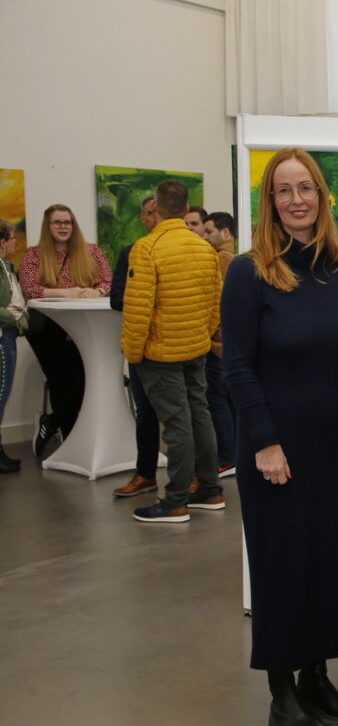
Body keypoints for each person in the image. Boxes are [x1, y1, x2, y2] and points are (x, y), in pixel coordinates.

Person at [222, 147, 338, 726]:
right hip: (275, 450)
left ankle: (318, 678)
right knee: (281, 564)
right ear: (270, 202)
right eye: (284, 190)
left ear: (322, 196)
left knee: (330, 561)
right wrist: (264, 442)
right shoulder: (248, 271)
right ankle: (282, 690)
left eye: (306, 188)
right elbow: (236, 366)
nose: (297, 200)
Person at [120, 180, 223, 524]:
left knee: (177, 425)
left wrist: (134, 353)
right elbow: (215, 303)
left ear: (158, 208)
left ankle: (176, 500)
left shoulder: (147, 248)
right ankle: (209, 489)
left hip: (160, 353)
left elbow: (138, 309)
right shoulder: (204, 247)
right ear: (185, 208)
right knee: (199, 415)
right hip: (195, 347)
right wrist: (202, 335)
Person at [19, 204, 112, 456]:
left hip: (83, 326)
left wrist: (97, 291)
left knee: (82, 378)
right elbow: (29, 289)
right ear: (47, 226)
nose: (63, 227)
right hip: (46, 328)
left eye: (67, 222)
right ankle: (69, 438)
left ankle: (53, 423)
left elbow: (108, 280)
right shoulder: (34, 254)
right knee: (61, 380)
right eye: (57, 222)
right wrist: (65, 292)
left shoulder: (91, 250)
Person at [110, 195, 163, 497]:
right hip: (140, 343)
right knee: (145, 412)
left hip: (178, 344)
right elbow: (117, 297)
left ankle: (201, 481)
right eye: (148, 214)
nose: (153, 218)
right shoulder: (130, 253)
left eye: (157, 212)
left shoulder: (184, 251)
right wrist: (148, 297)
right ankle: (146, 474)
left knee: (187, 414)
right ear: (142, 219)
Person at [200, 210, 238, 475]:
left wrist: (216, 335)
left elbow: (224, 302)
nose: (205, 235)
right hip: (224, 339)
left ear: (225, 232)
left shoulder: (224, 258)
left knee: (218, 399)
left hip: (221, 341)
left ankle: (228, 455)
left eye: (209, 231)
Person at [0, 220, 27, 473]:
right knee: (0, 395)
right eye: (12, 238)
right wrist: (12, 316)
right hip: (1, 336)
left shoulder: (6, 266)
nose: (15, 242)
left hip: (8, 335)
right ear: (2, 242)